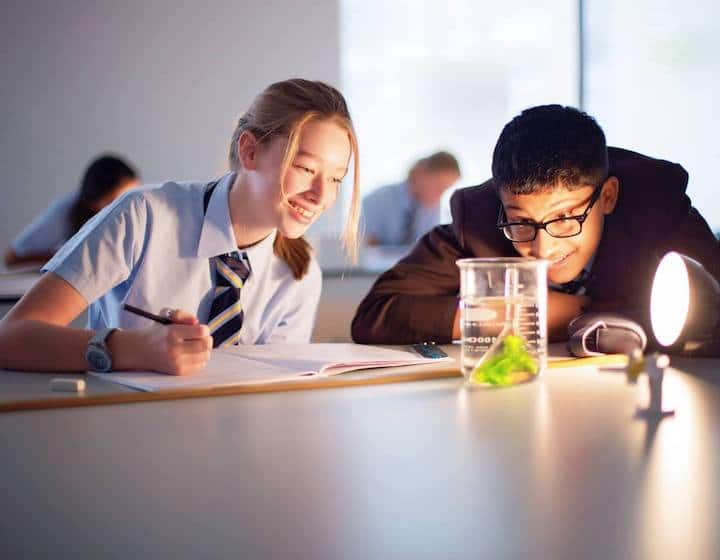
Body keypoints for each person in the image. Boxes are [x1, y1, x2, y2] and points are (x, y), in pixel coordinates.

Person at [0, 79, 361, 375]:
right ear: (250, 152)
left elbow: (275, 392)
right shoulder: (143, 217)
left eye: (335, 179)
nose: (320, 195)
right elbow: (11, 337)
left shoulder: (298, 273)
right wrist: (132, 348)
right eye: (307, 169)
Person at [351, 105, 720, 347]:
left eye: (564, 218)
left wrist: (580, 311)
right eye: (522, 222)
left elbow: (714, 313)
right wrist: (523, 312)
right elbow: (377, 314)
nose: (541, 250)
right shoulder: (478, 218)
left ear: (607, 197)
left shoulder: (655, 205)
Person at [4, 155, 139, 266]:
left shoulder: (138, 212)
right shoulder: (66, 210)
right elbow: (12, 257)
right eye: (117, 200)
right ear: (94, 201)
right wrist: (67, 258)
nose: (128, 206)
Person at [361, 151, 460, 246]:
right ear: (421, 175)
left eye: (444, 190)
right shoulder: (377, 200)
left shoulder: (431, 207)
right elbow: (365, 248)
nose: (439, 195)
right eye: (438, 186)